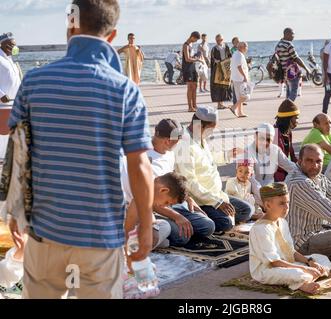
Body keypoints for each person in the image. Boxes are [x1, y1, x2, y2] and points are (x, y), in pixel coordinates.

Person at [8, 0, 154, 299]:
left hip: (44, 230)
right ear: (112, 36)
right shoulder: (125, 90)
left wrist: (14, 210)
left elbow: (17, 153)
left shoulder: (34, 81)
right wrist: (146, 224)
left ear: (70, 24)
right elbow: (140, 165)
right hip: (100, 234)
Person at [121, 119, 215, 247]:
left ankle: (158, 237)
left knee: (207, 226)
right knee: (180, 236)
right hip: (151, 206)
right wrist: (175, 217)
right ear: (168, 141)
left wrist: (188, 198)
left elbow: (172, 180)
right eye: (178, 141)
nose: (179, 144)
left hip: (168, 202)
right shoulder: (142, 157)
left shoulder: (169, 154)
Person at [174, 106, 253, 232]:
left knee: (247, 210)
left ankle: (222, 216)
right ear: (200, 125)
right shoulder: (184, 145)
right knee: (225, 222)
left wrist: (227, 155)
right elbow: (190, 183)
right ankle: (199, 217)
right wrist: (217, 203)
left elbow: (208, 159)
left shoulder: (199, 137)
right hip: (201, 200)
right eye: (211, 129)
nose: (212, 132)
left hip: (216, 195)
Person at [249, 182, 331, 295]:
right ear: (268, 205)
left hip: (288, 263)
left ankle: (305, 279)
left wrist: (310, 262)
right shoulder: (261, 229)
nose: (287, 207)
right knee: (297, 273)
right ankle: (302, 283)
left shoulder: (282, 222)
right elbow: (274, 262)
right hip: (268, 270)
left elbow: (291, 251)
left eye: (288, 202)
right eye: (282, 203)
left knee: (322, 259)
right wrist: (305, 269)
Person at [243, 123, 297, 206]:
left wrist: (304, 174)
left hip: (271, 193)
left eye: (269, 140)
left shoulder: (275, 150)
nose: (265, 142)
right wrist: (266, 196)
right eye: (262, 138)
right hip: (252, 195)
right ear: (255, 136)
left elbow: (290, 166)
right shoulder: (247, 152)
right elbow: (251, 180)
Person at [0, 32, 21, 160]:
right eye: (12, 45)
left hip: (14, 103)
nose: (14, 47)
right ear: (2, 44)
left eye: (15, 45)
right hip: (2, 104)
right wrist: (1, 94)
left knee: (10, 131)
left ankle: (7, 157)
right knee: (2, 130)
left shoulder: (10, 60)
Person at [275, 28, 310, 102]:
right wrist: (306, 68)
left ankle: (287, 108)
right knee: (294, 91)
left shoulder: (278, 45)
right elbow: (296, 58)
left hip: (284, 72)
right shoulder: (289, 44)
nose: (293, 36)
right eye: (292, 34)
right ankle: (288, 106)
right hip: (292, 71)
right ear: (286, 34)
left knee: (288, 91)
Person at [274, 100, 300, 182]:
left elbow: (292, 155)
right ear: (288, 119)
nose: (297, 121)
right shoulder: (274, 135)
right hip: (277, 176)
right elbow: (280, 163)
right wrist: (297, 170)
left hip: (288, 170)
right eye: (296, 118)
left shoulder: (288, 132)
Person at [210, 34, 233, 110]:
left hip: (225, 68)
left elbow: (230, 56)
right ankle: (219, 104)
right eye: (218, 40)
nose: (219, 41)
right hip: (218, 69)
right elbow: (213, 59)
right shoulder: (214, 48)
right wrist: (219, 62)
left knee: (224, 86)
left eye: (221, 40)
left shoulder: (226, 47)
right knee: (218, 86)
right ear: (216, 40)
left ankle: (222, 103)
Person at [182, 31, 202, 112]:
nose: (196, 41)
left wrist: (196, 56)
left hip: (193, 67)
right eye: (196, 39)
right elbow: (187, 58)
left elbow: (191, 57)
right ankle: (190, 107)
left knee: (195, 86)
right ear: (192, 37)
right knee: (190, 87)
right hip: (187, 68)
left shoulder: (191, 45)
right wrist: (197, 59)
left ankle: (195, 105)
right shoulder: (185, 45)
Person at [230, 42, 250, 118]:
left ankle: (240, 112)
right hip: (240, 79)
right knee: (245, 96)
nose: (247, 48)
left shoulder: (235, 54)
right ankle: (234, 107)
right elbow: (239, 67)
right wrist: (245, 76)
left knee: (240, 97)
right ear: (242, 47)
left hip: (236, 78)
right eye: (246, 47)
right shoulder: (239, 55)